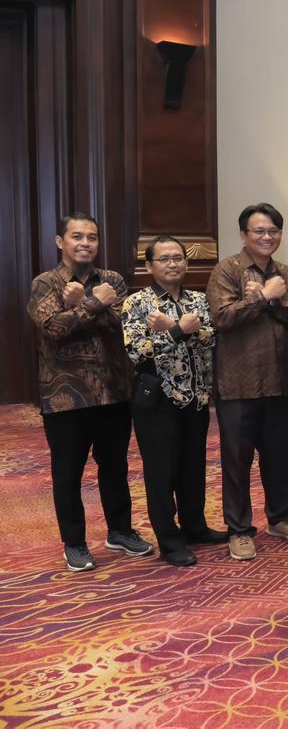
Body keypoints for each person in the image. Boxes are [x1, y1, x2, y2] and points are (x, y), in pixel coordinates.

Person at [28, 212, 152, 571]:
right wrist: (94, 303)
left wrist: (83, 303)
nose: (85, 243)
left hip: (113, 391)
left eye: (92, 237)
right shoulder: (46, 283)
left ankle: (120, 531)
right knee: (67, 472)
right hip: (65, 396)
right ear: (60, 241)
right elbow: (54, 328)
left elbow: (126, 326)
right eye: (77, 236)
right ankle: (75, 542)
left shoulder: (112, 280)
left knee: (115, 467)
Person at [207, 203, 288, 560]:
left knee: (278, 456)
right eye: (259, 231)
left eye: (273, 231)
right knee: (237, 460)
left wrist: (274, 301)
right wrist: (264, 297)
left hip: (279, 381)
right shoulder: (227, 270)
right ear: (243, 234)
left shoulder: (286, 273)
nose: (267, 237)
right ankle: (239, 529)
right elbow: (222, 318)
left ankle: (280, 517)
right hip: (238, 383)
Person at [122, 236, 227, 566]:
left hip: (196, 398)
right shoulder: (137, 303)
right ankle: (169, 541)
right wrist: (177, 331)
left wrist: (179, 329)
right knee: (161, 472)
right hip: (158, 400)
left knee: (193, 468)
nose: (173, 264)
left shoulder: (198, 299)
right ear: (149, 266)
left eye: (178, 258)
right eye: (164, 259)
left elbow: (211, 338)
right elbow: (136, 351)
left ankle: (195, 527)